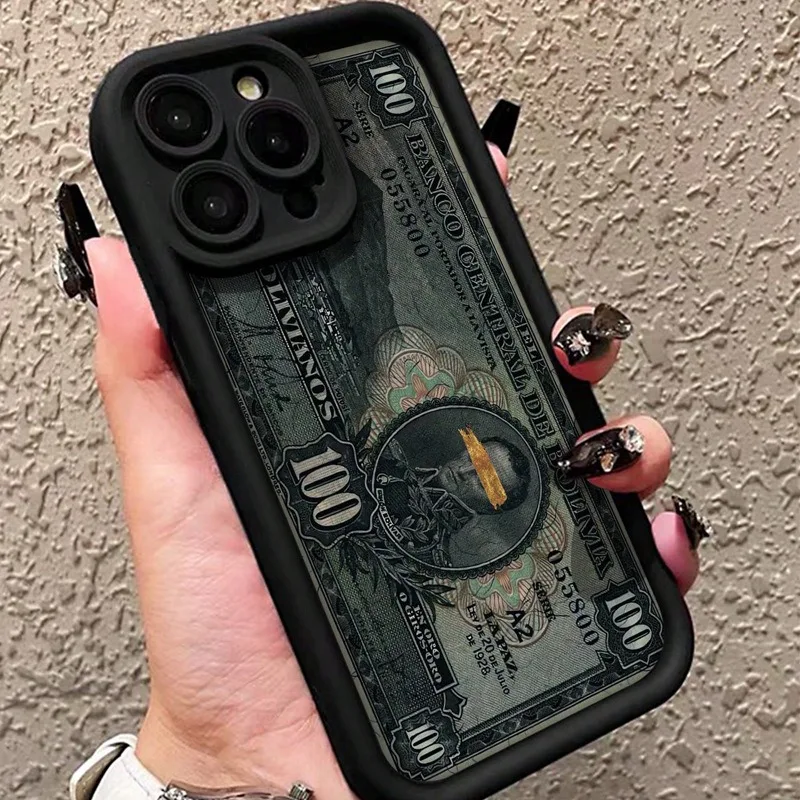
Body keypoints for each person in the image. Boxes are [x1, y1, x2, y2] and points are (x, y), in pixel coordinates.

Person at [62, 101, 709, 800]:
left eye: (485, 485)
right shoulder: (377, 403)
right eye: (473, 460)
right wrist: (217, 754)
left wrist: (235, 767)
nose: (463, 477)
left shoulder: (439, 556)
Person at [376, 434, 532, 569]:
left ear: (491, 509)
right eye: (473, 457)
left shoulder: (430, 563)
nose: (463, 471)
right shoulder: (386, 454)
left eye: (483, 482)